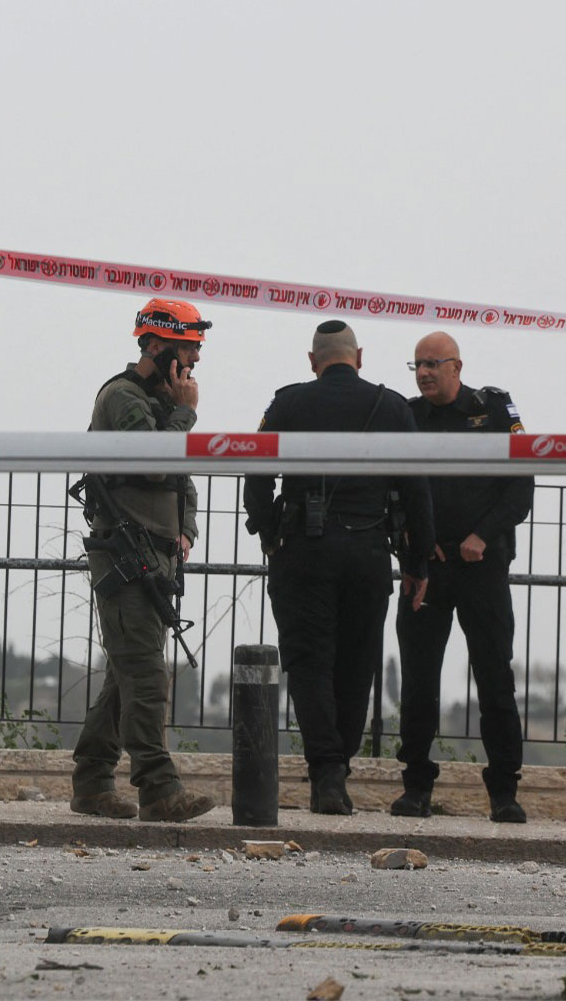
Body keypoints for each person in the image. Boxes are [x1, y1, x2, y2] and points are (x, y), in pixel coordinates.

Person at [243, 320, 434, 815]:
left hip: (303, 551)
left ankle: (327, 773)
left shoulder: (287, 402)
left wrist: (268, 534)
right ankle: (337, 768)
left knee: (309, 663)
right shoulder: (392, 406)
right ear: (360, 357)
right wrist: (417, 561)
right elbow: (418, 489)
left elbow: (257, 474)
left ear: (313, 361)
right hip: (369, 551)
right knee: (357, 662)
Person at [69, 298, 217, 823]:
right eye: (186, 355)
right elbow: (155, 465)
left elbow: (181, 480)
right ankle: (159, 788)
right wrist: (185, 414)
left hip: (157, 556)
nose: (192, 368)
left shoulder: (159, 408)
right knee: (147, 678)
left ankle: (91, 781)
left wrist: (186, 529)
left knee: (126, 676)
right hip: (125, 555)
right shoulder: (123, 398)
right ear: (155, 346)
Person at [393, 331, 532, 823]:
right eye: (417, 366)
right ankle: (415, 787)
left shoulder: (493, 410)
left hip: (481, 565)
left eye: (433, 364)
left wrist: (482, 535)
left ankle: (504, 792)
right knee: (419, 679)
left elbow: (521, 489)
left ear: (456, 366)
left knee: (495, 677)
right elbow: (394, 490)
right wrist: (411, 539)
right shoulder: (408, 416)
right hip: (426, 569)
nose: (425, 373)